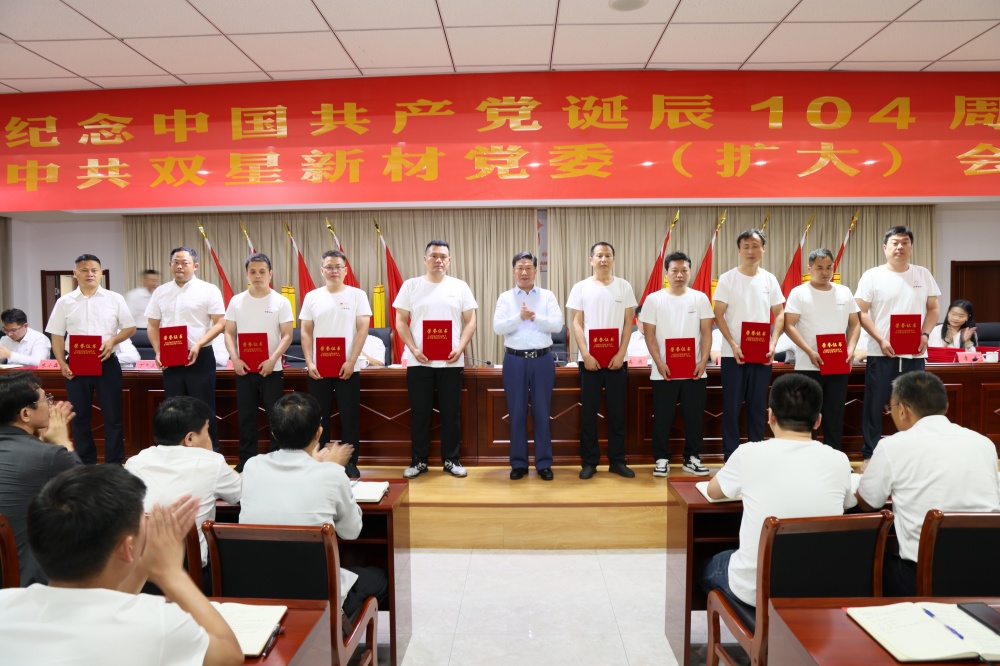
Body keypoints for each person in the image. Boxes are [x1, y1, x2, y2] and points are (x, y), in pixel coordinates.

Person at [0, 465, 244, 666]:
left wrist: (143, 565)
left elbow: (107, 605)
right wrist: (170, 574)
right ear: (127, 547)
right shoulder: (158, 623)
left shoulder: (6, 605)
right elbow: (229, 655)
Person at [700, 374, 856, 607]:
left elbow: (713, 492)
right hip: (820, 588)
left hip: (758, 592)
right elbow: (848, 502)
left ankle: (751, 623)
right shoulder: (839, 460)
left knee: (706, 568)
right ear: (817, 421)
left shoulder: (748, 453)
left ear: (770, 416)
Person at [240, 393, 389, 626]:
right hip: (316, 594)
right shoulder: (332, 474)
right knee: (379, 578)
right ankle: (335, 630)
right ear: (319, 433)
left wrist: (318, 465)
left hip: (259, 588)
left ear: (274, 433)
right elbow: (351, 532)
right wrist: (331, 468)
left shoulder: (252, 467)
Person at [856, 371, 1000, 596]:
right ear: (946, 407)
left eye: (890, 408)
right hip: (989, 574)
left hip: (924, 580)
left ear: (903, 410)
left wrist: (869, 473)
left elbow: (868, 503)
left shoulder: (892, 446)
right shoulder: (984, 444)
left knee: (863, 563)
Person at [124, 396, 242, 582]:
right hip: (191, 578)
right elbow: (240, 493)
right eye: (207, 431)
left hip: (138, 577)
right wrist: (211, 456)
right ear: (190, 438)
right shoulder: (212, 463)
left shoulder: (135, 462)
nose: (209, 438)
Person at [855, 225, 940, 463]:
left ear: (911, 247)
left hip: (914, 354)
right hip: (881, 353)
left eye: (905, 242)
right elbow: (861, 312)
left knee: (916, 404)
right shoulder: (872, 275)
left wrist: (925, 334)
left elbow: (933, 309)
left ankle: (913, 454)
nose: (900, 247)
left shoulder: (923, 274)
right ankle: (870, 454)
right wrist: (880, 339)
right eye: (895, 242)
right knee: (874, 405)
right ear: (885, 247)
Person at [394, 240, 478, 479]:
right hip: (419, 362)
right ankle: (419, 461)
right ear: (425, 259)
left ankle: (451, 460)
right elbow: (400, 321)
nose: (438, 260)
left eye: (443, 256)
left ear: (449, 261)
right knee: (420, 413)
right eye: (433, 256)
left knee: (451, 413)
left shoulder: (460, 287)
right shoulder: (411, 286)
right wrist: (413, 348)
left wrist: (460, 348)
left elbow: (471, 321)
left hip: (451, 363)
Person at [45, 253, 136, 465]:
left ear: (101, 273)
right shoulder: (64, 302)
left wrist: (113, 341)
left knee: (113, 416)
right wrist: (62, 363)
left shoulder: (115, 299)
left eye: (94, 270)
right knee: (80, 417)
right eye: (84, 270)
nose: (90, 274)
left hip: (107, 362)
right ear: (75, 273)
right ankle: (85, 462)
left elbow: (130, 328)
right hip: (77, 364)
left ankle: (114, 463)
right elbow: (56, 335)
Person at [566, 241, 637, 479]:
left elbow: (628, 323)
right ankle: (589, 462)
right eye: (599, 255)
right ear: (591, 260)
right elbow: (576, 323)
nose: (603, 259)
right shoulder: (580, 287)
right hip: (589, 362)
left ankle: (617, 461)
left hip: (617, 361)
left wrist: (621, 353)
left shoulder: (624, 286)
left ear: (613, 259)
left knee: (617, 414)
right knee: (589, 414)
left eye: (608, 255)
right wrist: (585, 354)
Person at [0, 372, 79, 586]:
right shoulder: (49, 456)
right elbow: (94, 495)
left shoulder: (44, 454)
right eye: (46, 399)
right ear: (25, 414)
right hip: (22, 581)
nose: (51, 406)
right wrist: (63, 443)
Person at [713, 229, 785, 461]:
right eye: (746, 246)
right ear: (739, 250)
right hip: (733, 354)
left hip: (762, 354)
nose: (751, 251)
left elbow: (780, 314)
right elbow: (718, 314)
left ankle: (756, 455)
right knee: (731, 407)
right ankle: (731, 456)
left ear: (763, 249)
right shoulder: (727, 278)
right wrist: (732, 344)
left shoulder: (769, 279)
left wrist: (773, 343)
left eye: (755, 246)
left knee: (757, 406)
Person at [640, 251, 714, 477]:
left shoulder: (700, 298)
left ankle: (692, 458)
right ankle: (662, 458)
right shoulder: (653, 299)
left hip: (694, 370)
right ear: (666, 273)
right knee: (663, 417)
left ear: (690, 272)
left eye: (684, 270)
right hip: (664, 371)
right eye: (674, 270)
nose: (679, 275)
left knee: (694, 417)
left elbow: (706, 332)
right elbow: (649, 336)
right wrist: (659, 362)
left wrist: (703, 360)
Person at [300, 250, 373, 479]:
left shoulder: (357, 295)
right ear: (322, 271)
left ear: (345, 270)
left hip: (348, 368)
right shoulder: (312, 296)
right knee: (318, 418)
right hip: (319, 369)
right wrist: (309, 362)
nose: (333, 271)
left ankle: (350, 462)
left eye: (338, 267)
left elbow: (362, 329)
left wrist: (351, 361)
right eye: (329, 267)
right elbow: (305, 331)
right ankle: (320, 460)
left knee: (349, 417)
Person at [146, 246, 226, 452]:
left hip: (200, 356)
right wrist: (158, 351)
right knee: (174, 409)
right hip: (171, 358)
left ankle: (211, 454)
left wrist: (198, 344)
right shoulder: (161, 292)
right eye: (176, 262)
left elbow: (220, 322)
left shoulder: (209, 290)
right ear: (170, 265)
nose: (179, 266)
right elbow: (152, 326)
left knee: (204, 409)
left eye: (185, 263)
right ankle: (175, 454)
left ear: (195, 266)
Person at [493, 251, 563, 481]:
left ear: (535, 271)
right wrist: (519, 317)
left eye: (528, 268)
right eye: (520, 268)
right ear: (514, 271)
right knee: (517, 413)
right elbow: (498, 327)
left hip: (542, 360)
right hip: (515, 360)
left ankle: (544, 463)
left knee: (542, 412)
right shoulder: (505, 297)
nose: (524, 272)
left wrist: (534, 317)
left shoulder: (547, 296)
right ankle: (519, 463)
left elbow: (557, 325)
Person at [783, 248, 862, 450]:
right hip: (808, 365)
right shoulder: (799, 293)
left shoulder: (844, 291)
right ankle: (806, 455)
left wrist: (851, 349)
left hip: (837, 364)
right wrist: (809, 351)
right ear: (809, 268)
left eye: (829, 267)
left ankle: (833, 456)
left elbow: (855, 324)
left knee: (834, 415)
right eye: (819, 268)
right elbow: (789, 325)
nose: (825, 272)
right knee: (806, 416)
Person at [223, 253, 293, 471]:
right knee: (246, 417)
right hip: (244, 370)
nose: (257, 276)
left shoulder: (281, 301)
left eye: (262, 271)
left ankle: (276, 459)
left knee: (276, 417)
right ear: (246, 274)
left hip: (272, 369)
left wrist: (273, 359)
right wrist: (234, 358)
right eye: (253, 272)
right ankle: (246, 460)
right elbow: (228, 333)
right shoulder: (236, 301)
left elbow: (287, 335)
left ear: (270, 274)